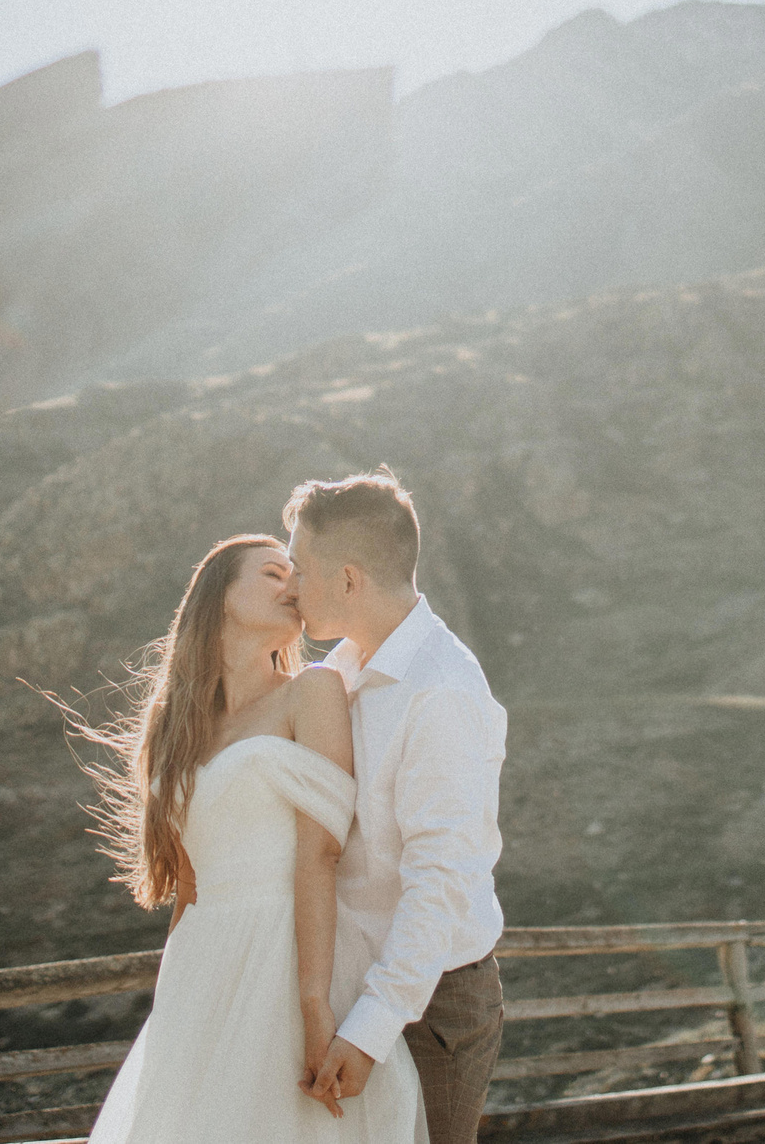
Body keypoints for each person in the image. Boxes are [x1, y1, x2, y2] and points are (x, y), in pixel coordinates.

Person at [79, 534, 426, 1144]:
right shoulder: (176, 730)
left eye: (296, 574)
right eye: (272, 572)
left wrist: (315, 1008)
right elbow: (186, 886)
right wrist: (174, 1007)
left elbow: (320, 855)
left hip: (286, 955)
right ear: (217, 595)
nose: (292, 585)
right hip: (200, 965)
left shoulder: (311, 691)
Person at [286, 472, 509, 1143]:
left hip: (430, 1003)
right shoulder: (348, 670)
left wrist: (372, 1026)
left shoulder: (441, 690)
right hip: (363, 983)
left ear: (349, 579)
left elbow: (440, 880)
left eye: (299, 567)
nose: (291, 584)